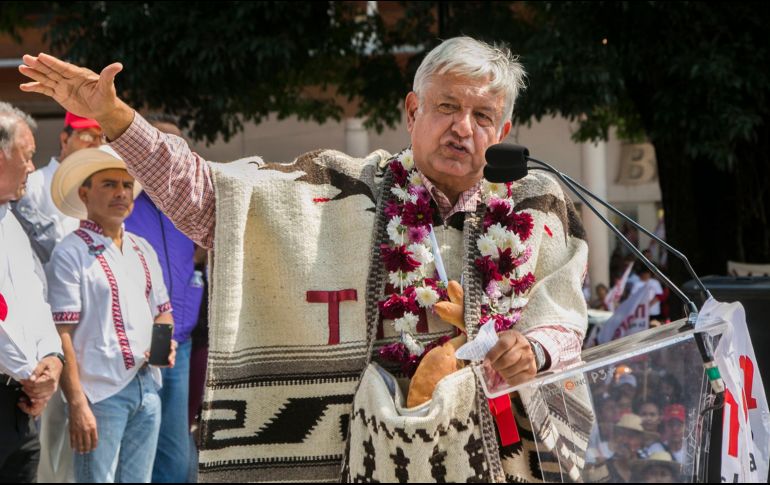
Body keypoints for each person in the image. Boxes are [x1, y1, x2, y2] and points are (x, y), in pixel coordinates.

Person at [19, 37, 590, 482]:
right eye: (446, 106)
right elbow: (209, 200)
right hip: (364, 459)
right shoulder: (335, 190)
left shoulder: (534, 204)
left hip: (498, 458)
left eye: (483, 116)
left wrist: (533, 349)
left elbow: (563, 310)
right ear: (412, 110)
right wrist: (118, 122)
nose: (463, 128)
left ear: (505, 130)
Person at [45, 145, 177, 483]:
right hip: (99, 395)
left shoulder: (142, 249)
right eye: (109, 184)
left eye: (127, 185)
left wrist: (164, 347)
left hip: (147, 386)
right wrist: (77, 403)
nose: (121, 193)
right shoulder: (69, 253)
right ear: (84, 194)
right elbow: (62, 335)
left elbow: (163, 312)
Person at [124, 114, 204, 483]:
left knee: (176, 445)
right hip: (135, 344)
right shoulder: (125, 202)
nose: (173, 158)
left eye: (179, 151)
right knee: (142, 447)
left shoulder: (191, 207)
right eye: (163, 149)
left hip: (181, 342)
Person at [0, 102, 65, 482]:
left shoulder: (13, 223)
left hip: (20, 409)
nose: (30, 167)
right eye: (26, 157)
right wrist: (33, 375)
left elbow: (37, 304)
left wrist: (52, 362)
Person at [13, 112, 103, 265]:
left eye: (101, 138)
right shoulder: (33, 183)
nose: (96, 144)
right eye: (87, 136)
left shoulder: (102, 190)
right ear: (65, 139)